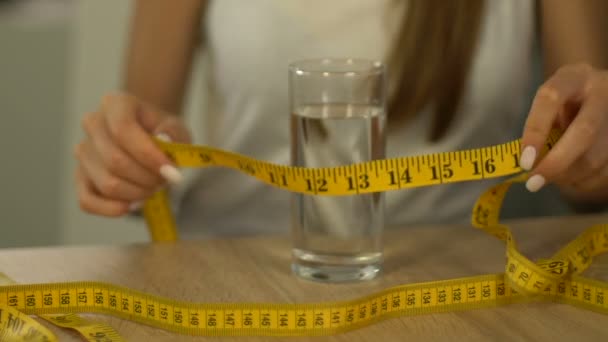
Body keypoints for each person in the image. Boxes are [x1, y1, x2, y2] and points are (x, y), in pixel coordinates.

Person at [74, 0, 608, 237]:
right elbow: (149, 139)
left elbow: (582, 164)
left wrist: (594, 150)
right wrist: (132, 158)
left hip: (450, 285)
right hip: (224, 271)